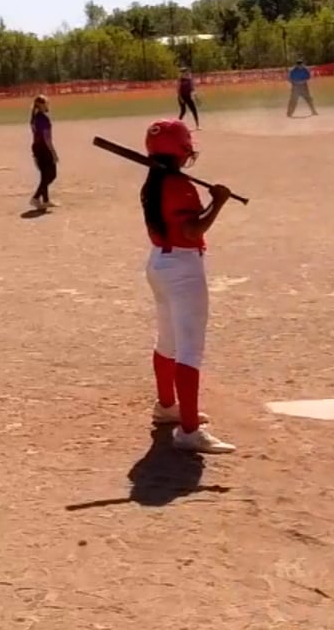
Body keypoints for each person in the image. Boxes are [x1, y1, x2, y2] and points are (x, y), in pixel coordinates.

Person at [139, 119, 236, 454]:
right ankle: (190, 431)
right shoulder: (177, 185)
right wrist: (218, 202)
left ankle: (167, 406)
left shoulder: (153, 182)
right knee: (189, 350)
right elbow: (192, 230)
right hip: (182, 267)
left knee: (168, 342)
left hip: (159, 263)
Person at [28, 96, 57, 210]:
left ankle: (45, 200)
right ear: (41, 105)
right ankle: (36, 197)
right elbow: (47, 139)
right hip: (44, 149)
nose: (48, 105)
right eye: (46, 103)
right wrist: (54, 153)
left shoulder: (35, 118)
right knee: (51, 175)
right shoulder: (43, 119)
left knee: (44, 175)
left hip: (37, 148)